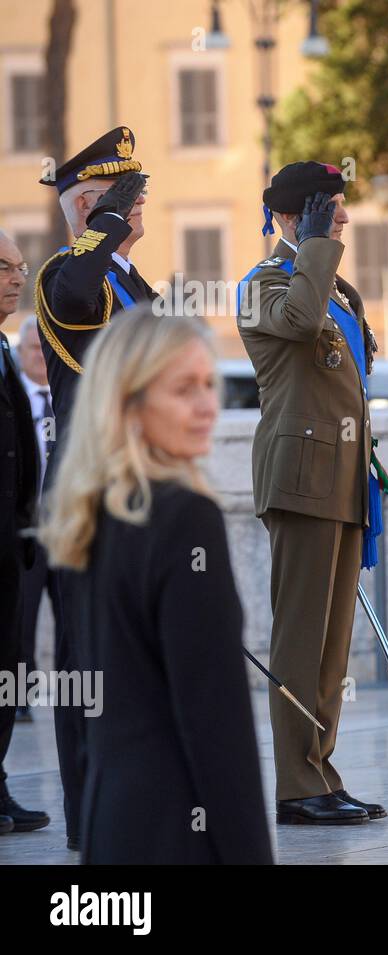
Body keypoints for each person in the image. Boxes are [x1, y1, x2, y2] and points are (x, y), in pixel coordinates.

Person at [39, 307, 272, 863]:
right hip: (177, 831)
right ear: (130, 404)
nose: (206, 407)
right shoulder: (185, 518)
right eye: (183, 389)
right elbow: (217, 722)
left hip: (111, 823)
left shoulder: (87, 515)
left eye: (209, 385)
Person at [237, 161, 385, 826]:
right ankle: (296, 786)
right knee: (299, 640)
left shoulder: (338, 289)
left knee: (332, 644)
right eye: (330, 209)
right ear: (294, 217)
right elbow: (298, 324)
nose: (344, 218)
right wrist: (317, 245)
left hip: (345, 479)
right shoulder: (263, 284)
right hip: (299, 480)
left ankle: (321, 771)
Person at [33, 126, 155, 850]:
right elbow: (78, 293)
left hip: (138, 491)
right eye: (122, 199)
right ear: (86, 207)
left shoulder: (128, 279)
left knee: (132, 660)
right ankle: (91, 813)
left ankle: (132, 800)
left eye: (137, 197)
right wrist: (101, 229)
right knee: (89, 664)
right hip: (90, 496)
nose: (138, 210)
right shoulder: (65, 274)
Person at [0, 231, 48, 834]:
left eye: (20, 268)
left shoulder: (6, 348)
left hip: (11, 541)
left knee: (6, 664)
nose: (18, 279)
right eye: (5, 268)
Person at [16, 316, 60, 723]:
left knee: (72, 617)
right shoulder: (13, 397)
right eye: (33, 349)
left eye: (44, 350)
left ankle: (75, 697)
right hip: (27, 529)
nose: (40, 358)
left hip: (68, 530)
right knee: (21, 618)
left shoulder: (68, 398)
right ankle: (21, 698)